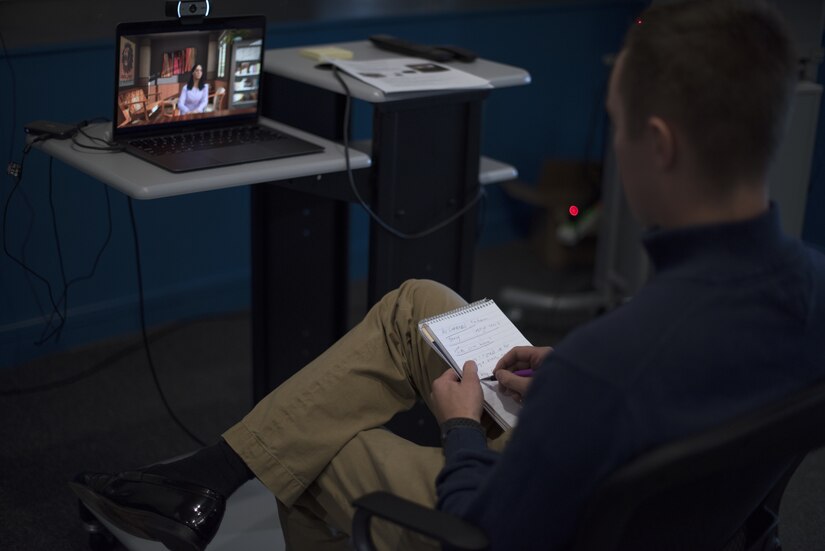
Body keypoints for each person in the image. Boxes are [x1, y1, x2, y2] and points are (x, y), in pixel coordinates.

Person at [70, 1, 825, 550]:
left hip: (539, 518)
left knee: (320, 447)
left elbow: (483, 528)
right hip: (672, 512)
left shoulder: (613, 367)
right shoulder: (812, 293)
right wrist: (565, 370)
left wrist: (462, 425)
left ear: (657, 144)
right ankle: (207, 475)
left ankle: (217, 477)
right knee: (418, 304)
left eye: (618, 125)